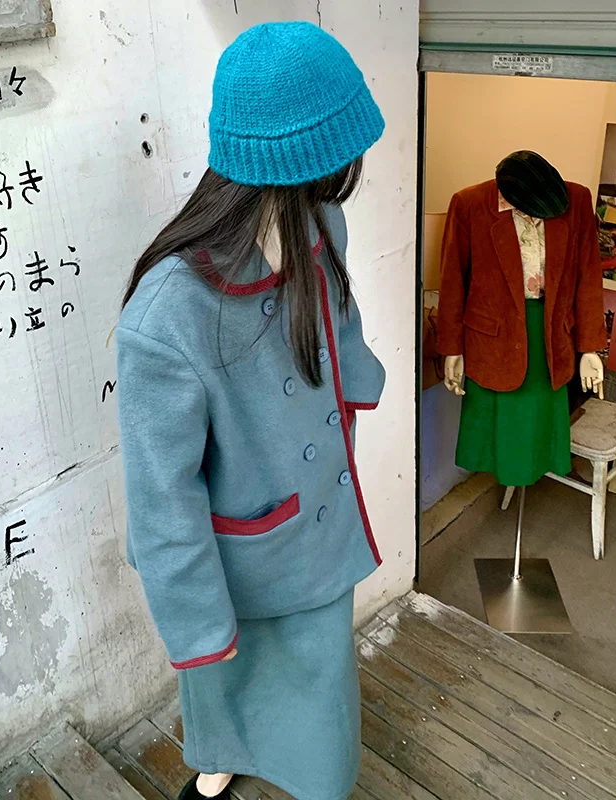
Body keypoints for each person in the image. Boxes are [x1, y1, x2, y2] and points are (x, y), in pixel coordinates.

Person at [116, 22, 386, 800]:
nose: (347, 177)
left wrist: (354, 386)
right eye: (338, 158)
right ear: (302, 160)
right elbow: (162, 501)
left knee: (319, 694)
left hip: (318, 516)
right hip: (237, 547)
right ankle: (218, 763)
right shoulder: (167, 316)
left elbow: (338, 317)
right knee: (224, 679)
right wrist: (199, 628)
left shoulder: (320, 223)